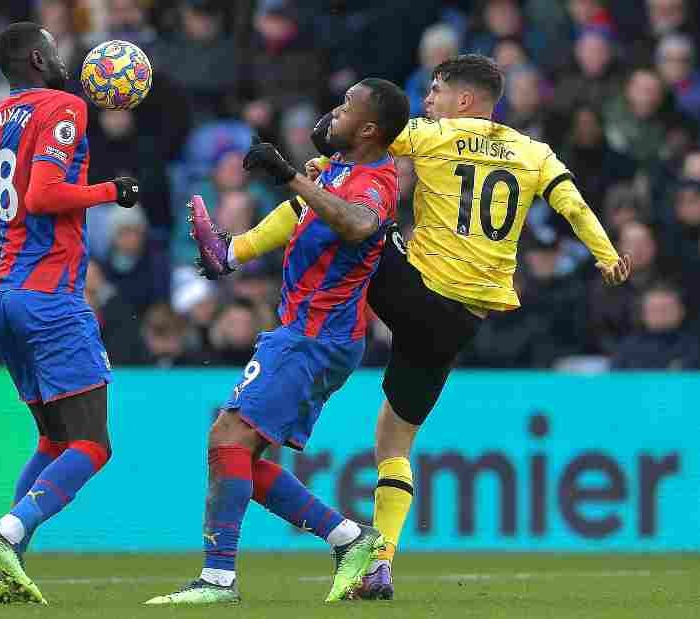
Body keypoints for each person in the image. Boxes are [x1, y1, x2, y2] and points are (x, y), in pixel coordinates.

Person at [196, 55, 632, 600]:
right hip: (461, 323)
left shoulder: (433, 134)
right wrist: (606, 254)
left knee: (343, 208)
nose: (427, 102)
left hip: (418, 290)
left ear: (464, 101)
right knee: (394, 444)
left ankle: (232, 252)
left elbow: (363, 142)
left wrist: (305, 166)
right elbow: (572, 203)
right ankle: (378, 564)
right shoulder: (534, 152)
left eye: (435, 91)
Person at [149, 77, 410, 605]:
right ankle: (350, 539)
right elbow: (300, 212)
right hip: (303, 332)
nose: (333, 113)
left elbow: (361, 225)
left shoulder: (376, 180)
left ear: (368, 129)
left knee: (227, 436)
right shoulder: (337, 170)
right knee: (237, 453)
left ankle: (219, 579)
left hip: (315, 336)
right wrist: (234, 252)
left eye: (344, 107)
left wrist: (290, 174)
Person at [0, 21, 140, 605]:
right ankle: (7, 535)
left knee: (51, 441)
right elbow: (41, 195)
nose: (65, 56)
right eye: (57, 47)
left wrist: (28, 229)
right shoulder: (64, 106)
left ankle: (2, 572)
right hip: (49, 299)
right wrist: (110, 192)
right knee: (92, 445)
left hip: (2, 296)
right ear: (39, 58)